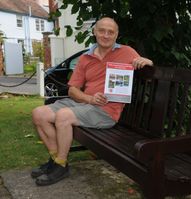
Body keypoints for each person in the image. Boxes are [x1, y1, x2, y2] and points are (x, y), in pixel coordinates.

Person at [31, 17, 153, 186]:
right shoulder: (85, 58)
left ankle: (60, 164)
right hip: (85, 104)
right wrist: (89, 98)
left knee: (63, 116)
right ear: (94, 32)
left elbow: (148, 68)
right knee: (39, 113)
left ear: (117, 35)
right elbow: (73, 90)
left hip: (106, 111)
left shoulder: (127, 52)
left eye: (111, 32)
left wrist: (147, 62)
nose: (106, 35)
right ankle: (56, 159)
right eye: (102, 30)